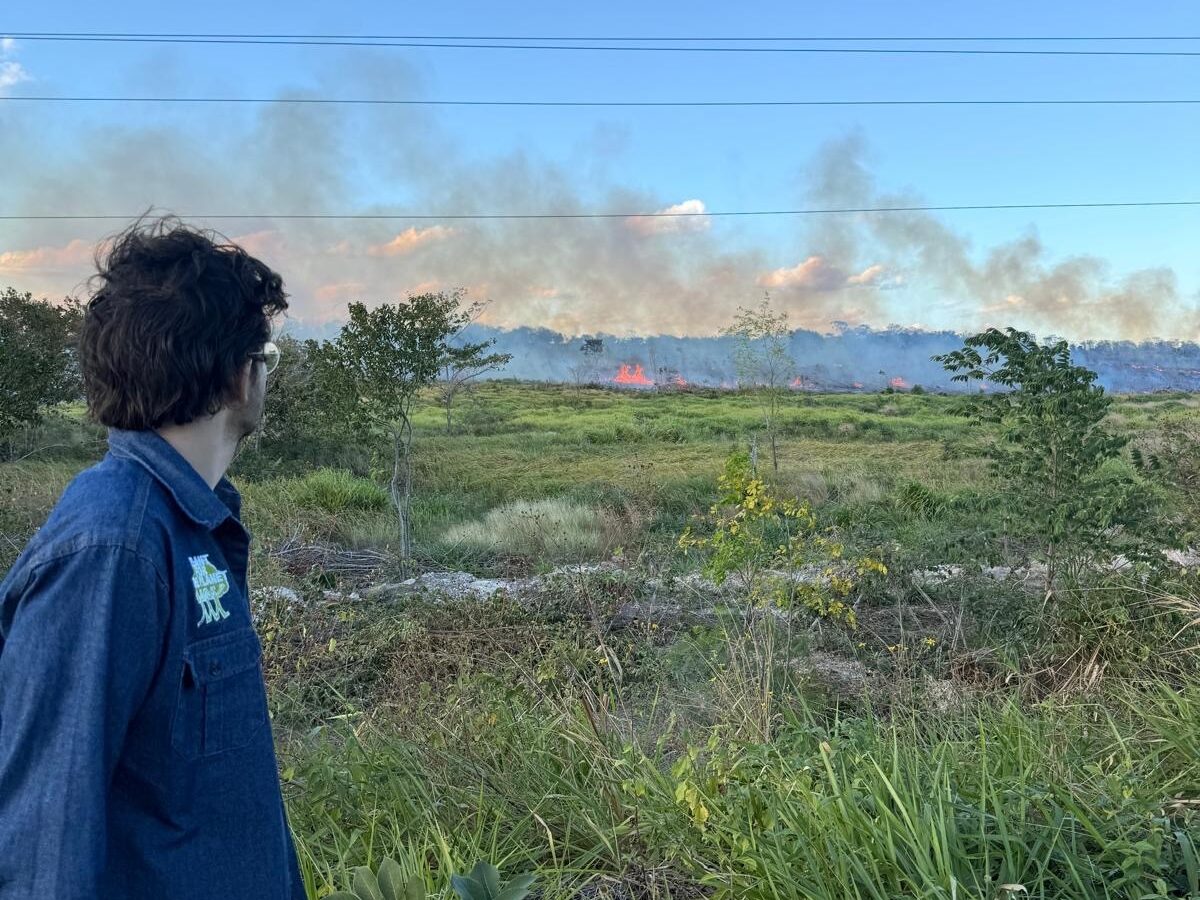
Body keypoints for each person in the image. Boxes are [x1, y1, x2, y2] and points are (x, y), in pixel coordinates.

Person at [0, 219, 307, 899]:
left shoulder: (190, 523)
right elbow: (44, 840)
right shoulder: (113, 549)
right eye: (266, 357)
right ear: (238, 374)